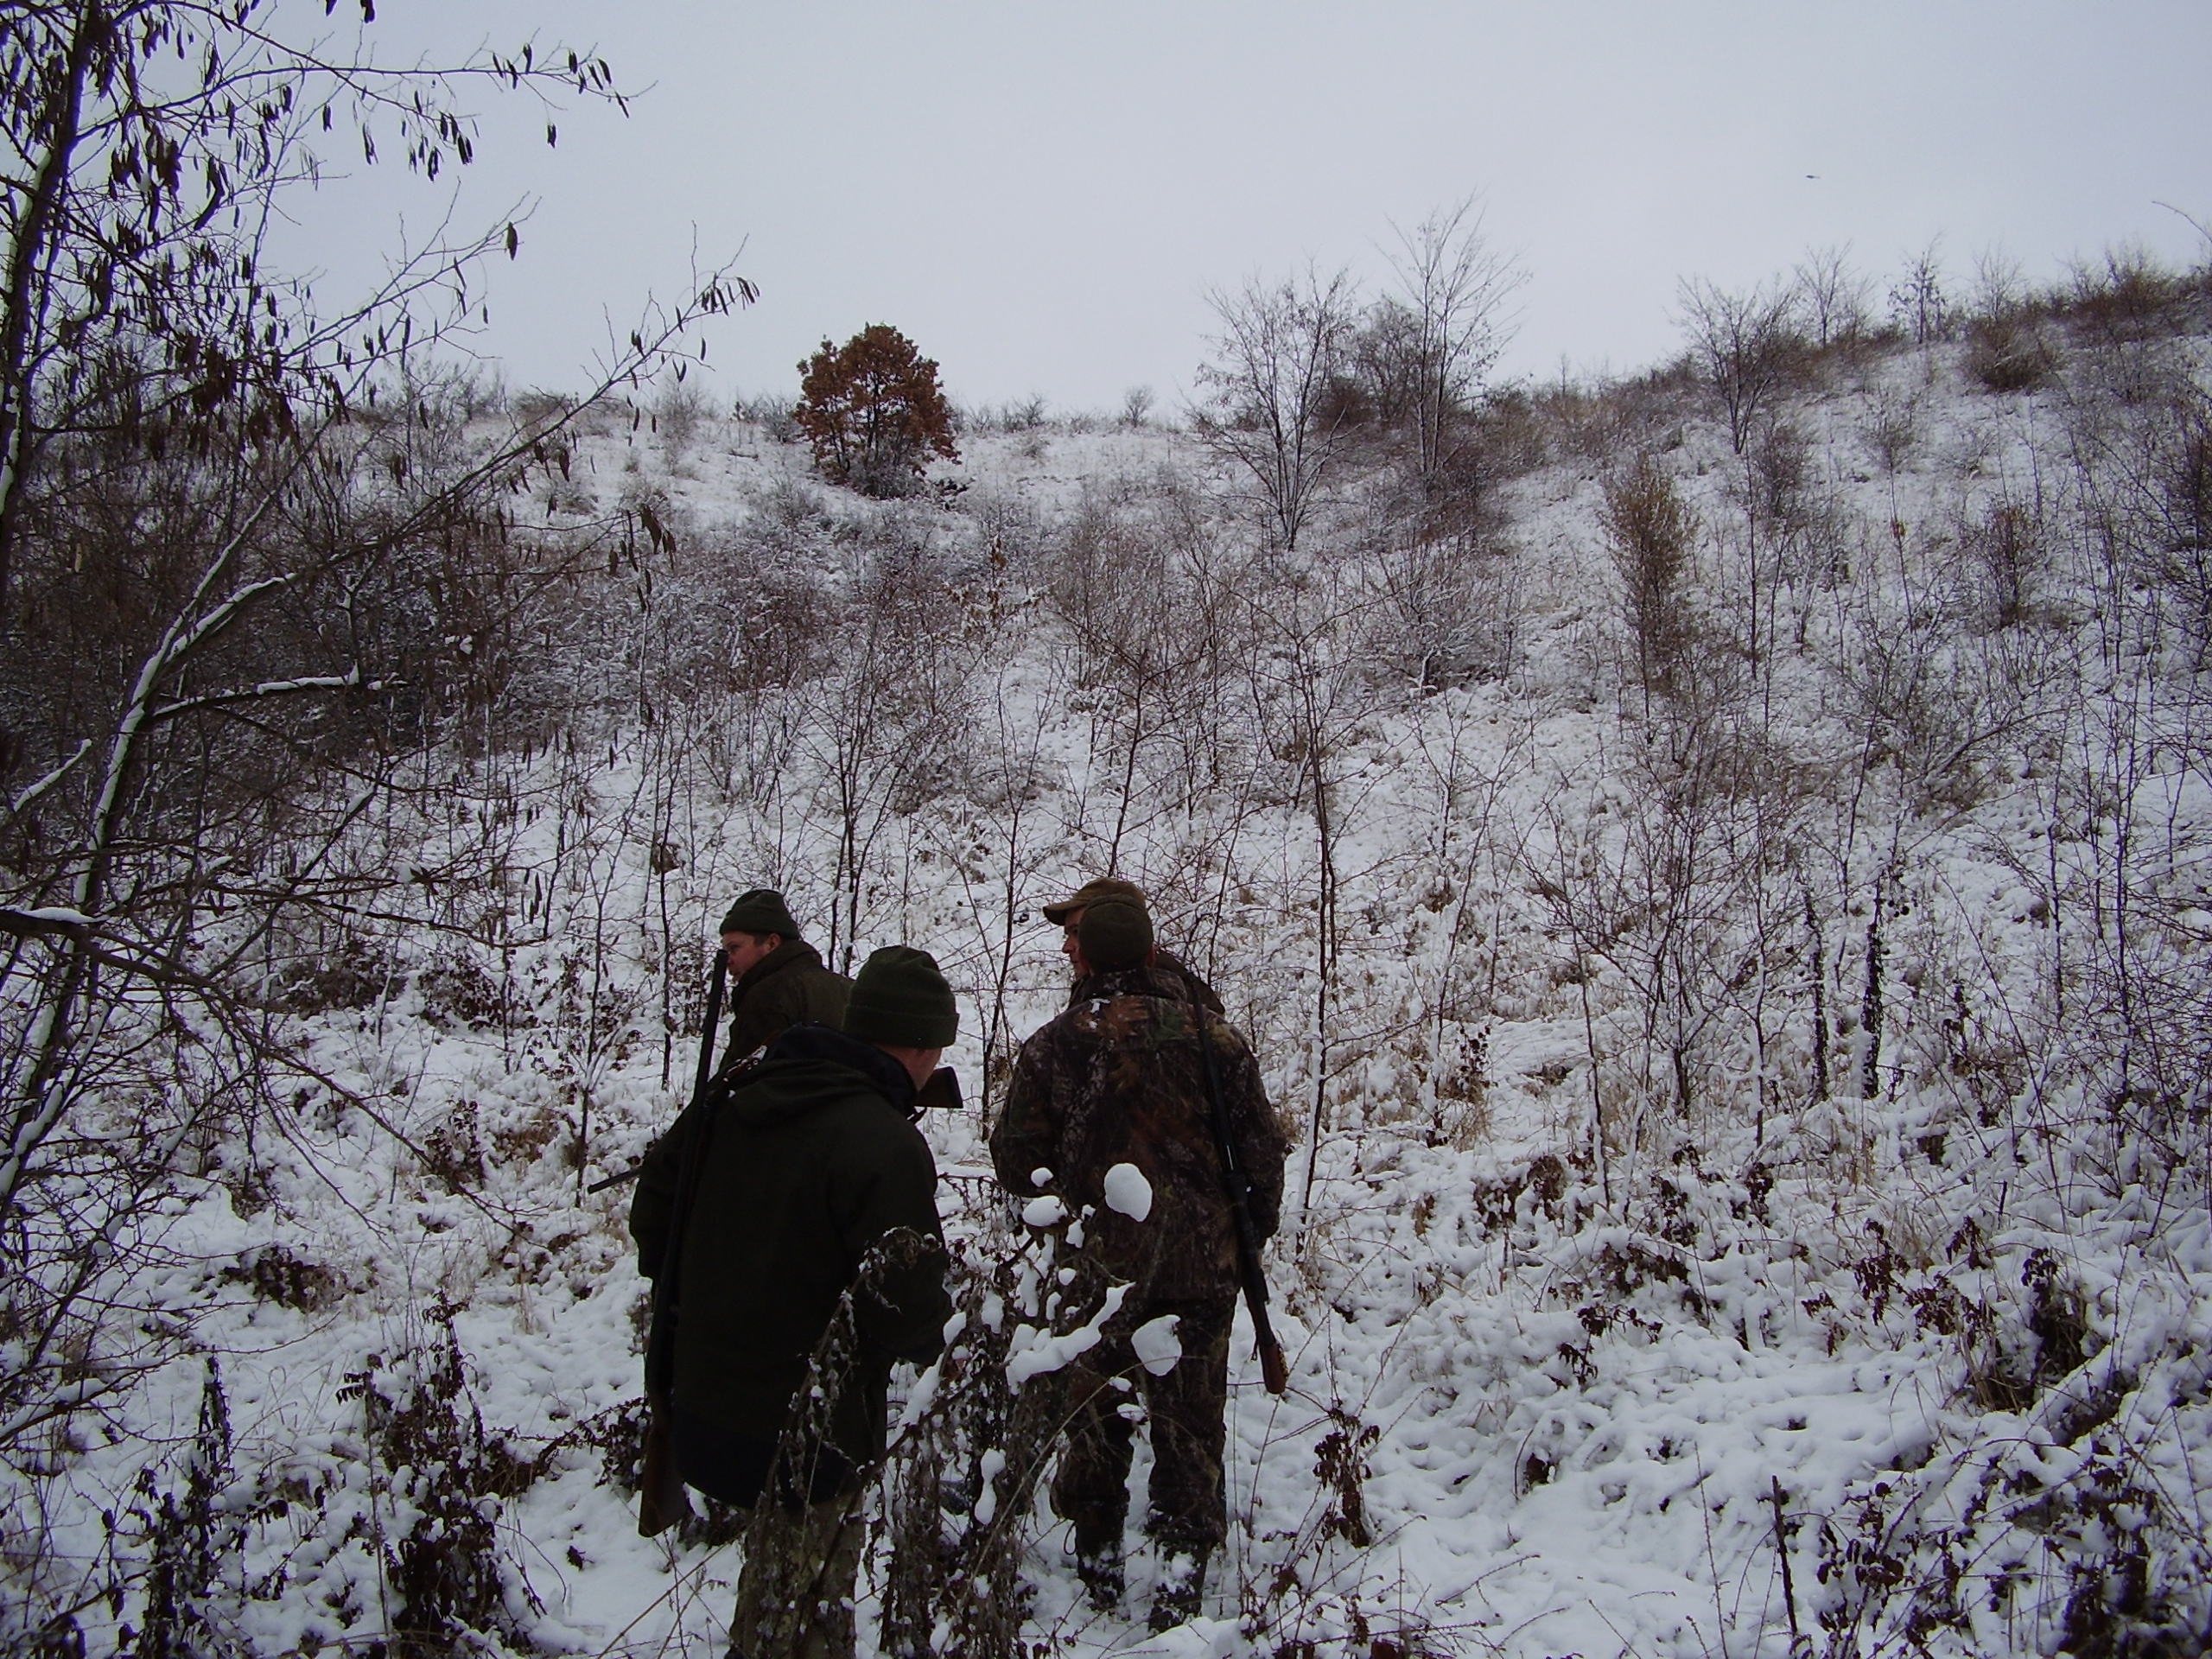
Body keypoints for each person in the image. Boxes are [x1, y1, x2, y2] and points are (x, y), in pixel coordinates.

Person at [629, 945, 957, 1659]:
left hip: (700, 1405)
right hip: (814, 1440)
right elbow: (907, 1314)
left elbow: (654, 1217)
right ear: (925, 1046)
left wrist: (713, 1294)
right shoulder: (883, 1143)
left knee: (776, 1600)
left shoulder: (736, 1092)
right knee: (802, 1622)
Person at [990, 892, 1287, 1630]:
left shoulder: (1053, 1044)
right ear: (1153, 954)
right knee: (1190, 1425)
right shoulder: (1215, 1038)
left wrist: (1066, 1203)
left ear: (1086, 958)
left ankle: (1096, 1564)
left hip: (1096, 1275)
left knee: (1096, 1419)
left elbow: (1015, 1158)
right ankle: (1181, 1582)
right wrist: (1243, 1238)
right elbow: (1262, 1154)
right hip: (1201, 1268)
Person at [1039, 876, 1224, 1014]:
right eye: (1068, 935)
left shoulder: (1181, 999)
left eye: (1078, 932)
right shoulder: (1089, 987)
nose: (1066, 948)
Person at [715, 889, 853, 1073]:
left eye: (734, 948)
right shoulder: (849, 990)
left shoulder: (766, 997)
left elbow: (747, 1083)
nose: (728, 960)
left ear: (771, 943)